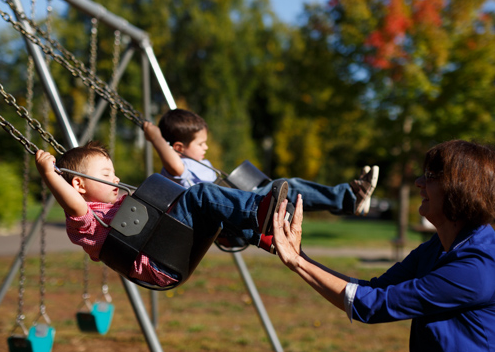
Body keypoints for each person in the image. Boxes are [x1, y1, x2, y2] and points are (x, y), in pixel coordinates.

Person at [273, 139, 495, 351]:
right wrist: (301, 258)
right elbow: (373, 290)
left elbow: (374, 305)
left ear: (460, 190)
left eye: (431, 176)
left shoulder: (476, 267)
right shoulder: (439, 245)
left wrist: (298, 262)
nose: (419, 182)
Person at [35, 142, 291, 288]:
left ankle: (265, 238)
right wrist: (49, 174)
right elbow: (73, 205)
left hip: (163, 251)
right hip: (156, 259)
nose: (116, 178)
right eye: (105, 175)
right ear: (79, 185)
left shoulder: (118, 205)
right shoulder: (88, 222)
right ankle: (259, 211)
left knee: (210, 211)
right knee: (200, 194)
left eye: (113, 173)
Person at [143, 109, 378, 214]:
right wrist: (155, 137)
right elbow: (174, 165)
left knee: (289, 192)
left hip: (232, 207)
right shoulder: (176, 168)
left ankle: (348, 201)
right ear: (178, 148)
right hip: (224, 215)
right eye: (200, 143)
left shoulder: (195, 164)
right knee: (287, 186)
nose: (205, 148)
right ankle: (348, 197)